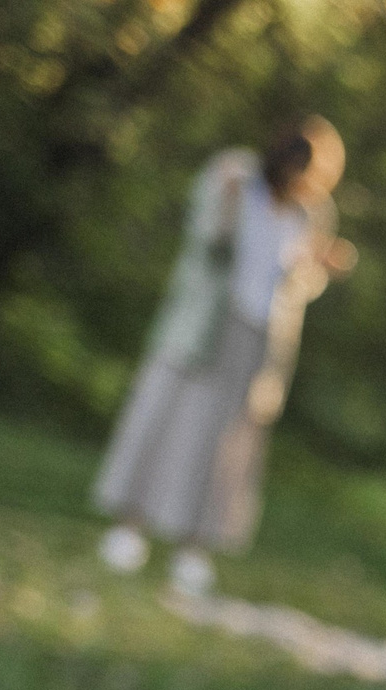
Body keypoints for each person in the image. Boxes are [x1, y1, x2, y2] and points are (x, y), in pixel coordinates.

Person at [93, 118, 357, 596]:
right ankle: (129, 528)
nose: (305, 189)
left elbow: (298, 287)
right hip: (203, 323)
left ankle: (195, 548)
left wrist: (316, 267)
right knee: (167, 419)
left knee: (229, 443)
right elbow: (207, 244)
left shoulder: (314, 213)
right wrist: (231, 209)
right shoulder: (232, 175)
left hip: (260, 338)